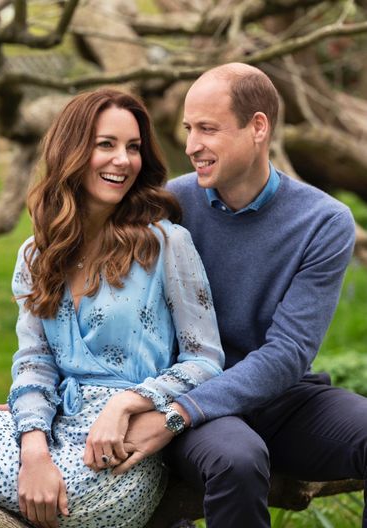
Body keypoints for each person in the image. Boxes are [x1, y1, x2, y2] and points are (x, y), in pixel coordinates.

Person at [111, 63, 367, 528]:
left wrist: (177, 416)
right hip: (192, 393)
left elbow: (289, 353)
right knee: (238, 460)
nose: (191, 146)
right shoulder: (172, 205)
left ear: (258, 127)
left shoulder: (323, 221)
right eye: (189, 129)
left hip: (277, 398)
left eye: (208, 129)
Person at [0, 88, 225, 528]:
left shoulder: (166, 245)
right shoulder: (37, 254)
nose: (123, 161)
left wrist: (128, 402)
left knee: (70, 498)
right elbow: (34, 362)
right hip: (52, 426)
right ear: (71, 151)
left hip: (122, 451)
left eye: (133, 148)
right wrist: (32, 449)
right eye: (105, 144)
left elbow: (205, 360)